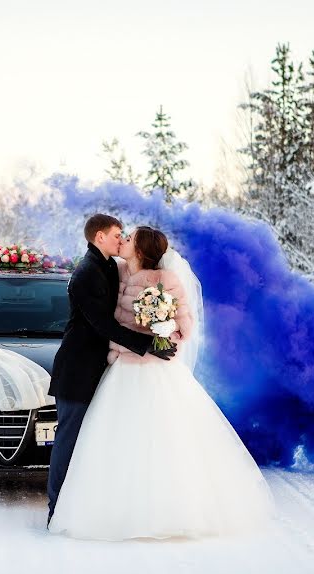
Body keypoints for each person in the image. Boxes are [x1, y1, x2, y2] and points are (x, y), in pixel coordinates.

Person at [48, 225, 276, 540]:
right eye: (122, 236)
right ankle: (115, 511)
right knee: (114, 442)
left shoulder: (165, 281)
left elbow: (183, 328)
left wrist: (161, 329)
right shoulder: (118, 272)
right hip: (120, 371)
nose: (123, 240)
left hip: (154, 370)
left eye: (129, 238)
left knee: (162, 440)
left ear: (141, 249)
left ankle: (168, 512)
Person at [46, 214, 176, 528]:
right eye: (118, 234)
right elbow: (101, 324)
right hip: (78, 368)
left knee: (97, 440)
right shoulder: (86, 273)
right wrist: (146, 345)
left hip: (102, 368)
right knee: (69, 439)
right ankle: (56, 509)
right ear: (100, 237)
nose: (122, 239)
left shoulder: (108, 265)